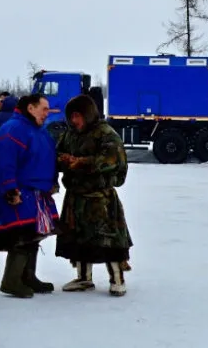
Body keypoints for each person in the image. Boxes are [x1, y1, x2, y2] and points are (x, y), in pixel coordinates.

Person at [55, 95, 133, 297]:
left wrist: (82, 162)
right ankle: (83, 278)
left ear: (87, 115)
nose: (74, 121)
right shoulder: (69, 135)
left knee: (108, 240)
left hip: (100, 198)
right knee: (78, 238)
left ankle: (117, 279)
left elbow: (113, 160)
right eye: (71, 116)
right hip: (76, 196)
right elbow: (56, 153)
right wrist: (63, 160)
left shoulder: (106, 133)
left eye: (77, 116)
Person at [0, 94, 59, 298]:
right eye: (44, 108)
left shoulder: (38, 131)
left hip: (38, 193)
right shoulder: (13, 130)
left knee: (33, 236)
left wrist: (53, 181)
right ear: (30, 108)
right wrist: (10, 188)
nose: (47, 113)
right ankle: (11, 281)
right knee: (21, 237)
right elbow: (2, 161)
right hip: (20, 192)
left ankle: (28, 277)